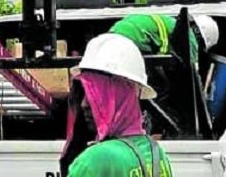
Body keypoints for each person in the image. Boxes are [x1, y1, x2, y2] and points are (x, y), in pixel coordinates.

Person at [60, 33, 173, 177]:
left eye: (94, 93)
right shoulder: (156, 153)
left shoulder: (95, 160)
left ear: (119, 96)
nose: (84, 104)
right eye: (84, 92)